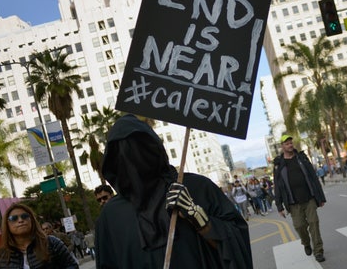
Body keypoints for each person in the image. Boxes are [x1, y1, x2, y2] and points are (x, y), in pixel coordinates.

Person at [96, 114, 252, 269]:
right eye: (125, 154)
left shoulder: (196, 188)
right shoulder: (111, 217)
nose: (134, 160)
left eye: (140, 149)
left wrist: (198, 217)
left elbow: (237, 241)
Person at [273, 134, 327, 263]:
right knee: (299, 226)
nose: (290, 145)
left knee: (314, 223)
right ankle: (306, 243)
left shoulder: (301, 158)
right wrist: (279, 206)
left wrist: (320, 197)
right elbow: (278, 186)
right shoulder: (278, 164)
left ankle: (318, 251)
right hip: (293, 203)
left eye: (291, 143)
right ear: (282, 146)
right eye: (287, 144)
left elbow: (313, 177)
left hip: (309, 199)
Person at [0, 203, 78, 268]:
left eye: (24, 216)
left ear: (32, 220)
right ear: (6, 225)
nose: (20, 220)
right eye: (14, 218)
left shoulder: (52, 243)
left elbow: (72, 265)